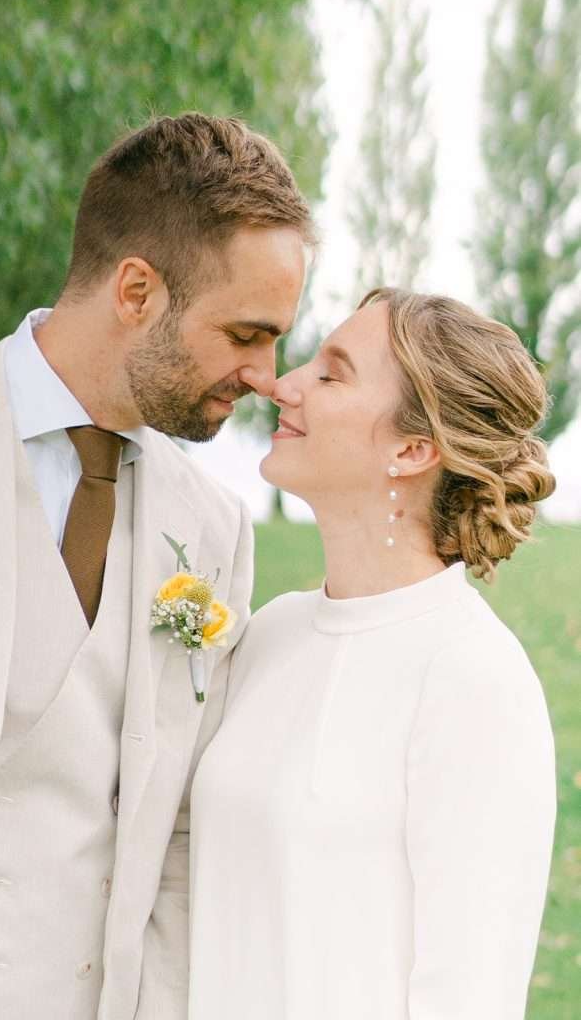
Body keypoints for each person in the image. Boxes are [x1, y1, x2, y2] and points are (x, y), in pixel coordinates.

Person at [0, 113, 312, 1019]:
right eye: (246, 333)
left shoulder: (214, 531)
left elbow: (174, 841)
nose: (267, 374)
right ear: (136, 291)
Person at [189, 287, 558, 1020]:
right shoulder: (272, 634)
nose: (283, 384)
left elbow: (470, 998)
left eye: (331, 374)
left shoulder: (475, 679)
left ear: (413, 449)